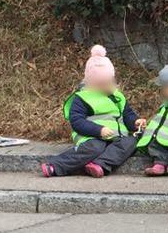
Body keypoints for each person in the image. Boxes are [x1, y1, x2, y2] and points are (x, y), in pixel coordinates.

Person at [40, 45, 142, 178]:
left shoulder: (118, 96)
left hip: (117, 137)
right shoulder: (83, 98)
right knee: (95, 147)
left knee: (131, 142)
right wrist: (99, 130)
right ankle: (56, 165)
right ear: (90, 82)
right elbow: (77, 122)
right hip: (90, 136)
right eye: (101, 84)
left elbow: (127, 114)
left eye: (109, 82)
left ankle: (100, 165)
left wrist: (135, 122)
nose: (106, 86)